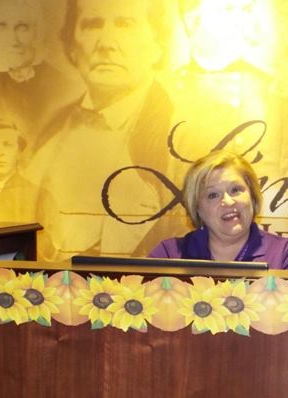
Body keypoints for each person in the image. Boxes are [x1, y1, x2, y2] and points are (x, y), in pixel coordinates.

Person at [30, 0, 178, 262]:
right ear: (72, 44)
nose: (106, 43)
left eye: (125, 24)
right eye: (92, 25)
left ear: (158, 44)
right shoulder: (49, 132)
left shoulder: (183, 135)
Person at [149, 151, 288, 270]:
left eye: (235, 190)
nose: (228, 201)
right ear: (197, 208)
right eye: (213, 195)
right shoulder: (168, 255)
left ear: (252, 195)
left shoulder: (287, 255)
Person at [0, 0, 79, 140]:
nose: (13, 40)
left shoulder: (61, 85)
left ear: (37, 32)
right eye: (2, 27)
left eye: (22, 27)